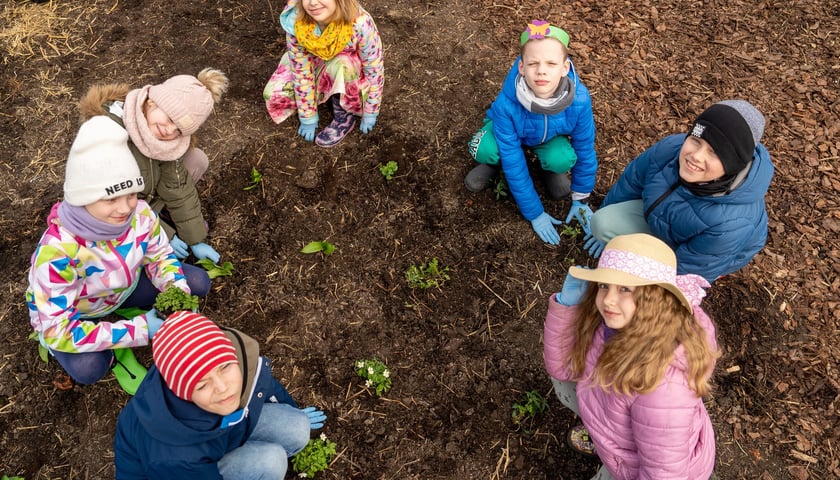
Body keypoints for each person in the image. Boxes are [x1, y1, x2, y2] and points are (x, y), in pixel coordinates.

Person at [25, 116, 211, 395]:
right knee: (89, 368)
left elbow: (160, 256)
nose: (125, 208)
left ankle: (124, 313)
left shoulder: (141, 214)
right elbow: (58, 329)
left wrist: (177, 292)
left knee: (197, 283)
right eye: (110, 199)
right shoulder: (57, 252)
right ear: (82, 197)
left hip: (125, 288)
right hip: (80, 311)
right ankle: (110, 350)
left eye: (132, 195)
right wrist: (137, 330)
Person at [544, 233, 719, 479]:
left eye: (625, 288)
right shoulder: (610, 324)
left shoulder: (663, 388)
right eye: (604, 285)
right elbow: (562, 369)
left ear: (654, 299)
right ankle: (603, 437)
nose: (608, 300)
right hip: (620, 428)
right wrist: (566, 307)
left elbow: (663, 474)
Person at [114, 311, 326, 479]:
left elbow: (260, 383)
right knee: (272, 461)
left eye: (224, 367)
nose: (223, 387)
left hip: (215, 433)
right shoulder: (173, 457)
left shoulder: (238, 357)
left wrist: (287, 405)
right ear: (182, 392)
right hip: (184, 468)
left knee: (297, 426)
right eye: (202, 385)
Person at [583, 100, 773, 283]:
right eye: (696, 141)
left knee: (646, 284)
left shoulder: (731, 223)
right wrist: (607, 221)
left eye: (714, 152)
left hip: (698, 256)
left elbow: (685, 274)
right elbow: (631, 183)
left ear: (733, 165)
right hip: (662, 220)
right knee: (602, 223)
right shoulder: (670, 149)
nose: (696, 156)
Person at [465, 20, 598, 245]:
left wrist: (581, 198)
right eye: (533, 63)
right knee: (482, 148)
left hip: (548, 137)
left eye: (551, 63)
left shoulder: (579, 100)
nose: (542, 70)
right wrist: (534, 212)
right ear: (521, 66)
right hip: (511, 134)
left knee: (562, 158)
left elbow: (585, 148)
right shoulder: (508, 104)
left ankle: (549, 169)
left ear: (565, 68)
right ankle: (491, 164)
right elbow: (513, 159)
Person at [79, 68, 230, 264]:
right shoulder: (108, 133)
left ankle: (163, 217)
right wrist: (162, 235)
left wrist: (196, 240)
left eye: (179, 130)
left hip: (142, 197)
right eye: (170, 119)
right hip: (106, 210)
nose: (169, 131)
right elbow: (112, 203)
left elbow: (178, 188)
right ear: (152, 102)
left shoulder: (164, 138)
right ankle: (153, 229)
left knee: (195, 160)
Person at [263, 0, 384, 148]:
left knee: (342, 64)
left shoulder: (360, 23)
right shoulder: (297, 23)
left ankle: (343, 115)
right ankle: (320, 95)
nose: (313, 3)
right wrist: (308, 116)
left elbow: (374, 69)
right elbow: (301, 73)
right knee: (273, 94)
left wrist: (372, 110)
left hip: (348, 70)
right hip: (314, 64)